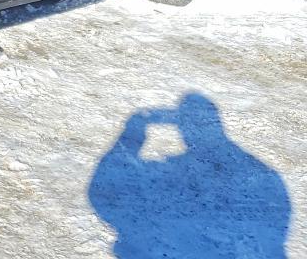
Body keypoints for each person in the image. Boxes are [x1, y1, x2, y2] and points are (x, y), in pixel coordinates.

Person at [89, 93, 290, 258]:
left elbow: (104, 191)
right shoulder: (263, 176)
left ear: (182, 129)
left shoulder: (171, 177)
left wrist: (134, 130)